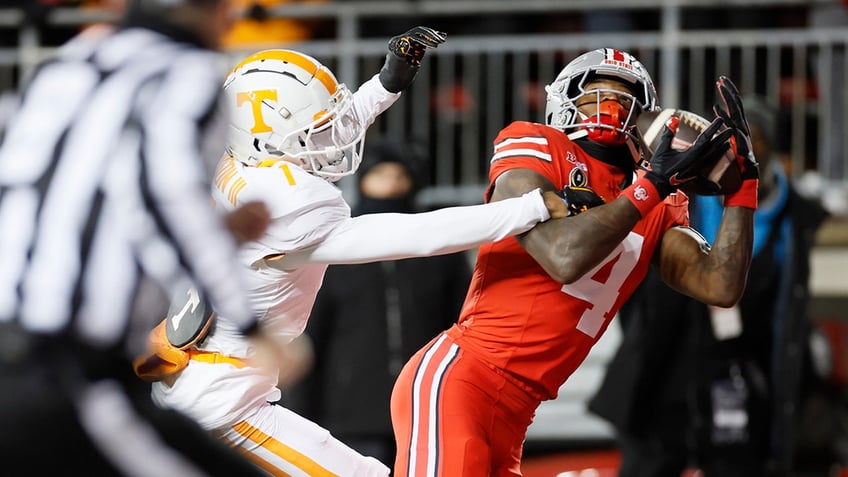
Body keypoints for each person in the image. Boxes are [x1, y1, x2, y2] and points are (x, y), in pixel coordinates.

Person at [138, 29, 571, 476]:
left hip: (206, 382)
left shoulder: (238, 165)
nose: (329, 136)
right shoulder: (288, 204)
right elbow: (419, 234)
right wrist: (530, 207)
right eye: (315, 128)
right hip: (225, 402)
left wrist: (385, 85)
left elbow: (312, 133)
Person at [389, 48, 759, 477]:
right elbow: (562, 257)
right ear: (563, 101)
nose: (610, 106)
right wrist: (651, 185)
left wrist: (742, 191)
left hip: (518, 409)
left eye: (624, 98)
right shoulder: (535, 145)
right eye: (594, 95)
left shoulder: (659, 199)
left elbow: (720, 286)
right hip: (463, 380)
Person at [0, 1, 276, 476]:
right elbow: (168, 196)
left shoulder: (68, 65)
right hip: (66, 374)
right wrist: (253, 327)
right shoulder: (184, 73)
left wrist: (218, 234)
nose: (230, 21)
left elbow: (95, 203)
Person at [587, 96, 832, 477]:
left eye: (748, 142)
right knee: (648, 461)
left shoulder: (801, 216)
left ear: (768, 149)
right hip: (667, 360)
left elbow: (787, 314)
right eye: (725, 143)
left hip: (740, 369)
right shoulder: (679, 189)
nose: (732, 152)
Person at [283, 138, 473, 467]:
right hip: (349, 412)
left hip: (425, 407)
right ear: (365, 179)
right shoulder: (337, 248)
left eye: (399, 176)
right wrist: (303, 412)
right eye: (381, 174)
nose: (391, 184)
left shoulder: (438, 249)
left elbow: (463, 323)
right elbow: (313, 331)